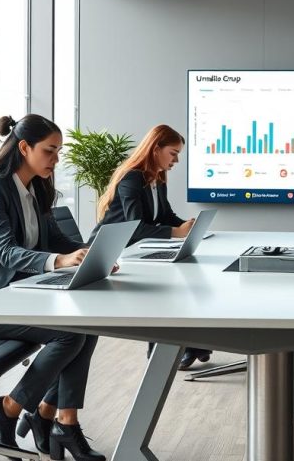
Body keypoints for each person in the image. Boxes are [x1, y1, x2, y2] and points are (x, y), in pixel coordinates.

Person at [0, 114, 105, 461]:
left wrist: (89, 254)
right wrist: (60, 261)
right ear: (24, 147)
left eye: (58, 152)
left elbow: (55, 238)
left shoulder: (34, 187)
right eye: (50, 151)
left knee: (89, 325)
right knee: (70, 334)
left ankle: (57, 417)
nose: (56, 159)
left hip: (19, 297)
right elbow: (6, 252)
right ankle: (8, 408)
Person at [89, 124, 211, 370]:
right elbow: (136, 227)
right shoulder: (132, 178)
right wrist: (176, 233)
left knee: (186, 276)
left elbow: (164, 215)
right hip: (115, 252)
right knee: (169, 286)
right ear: (156, 149)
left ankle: (189, 344)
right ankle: (174, 350)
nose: (176, 160)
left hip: (140, 250)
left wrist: (187, 225)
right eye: (173, 153)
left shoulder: (157, 179)